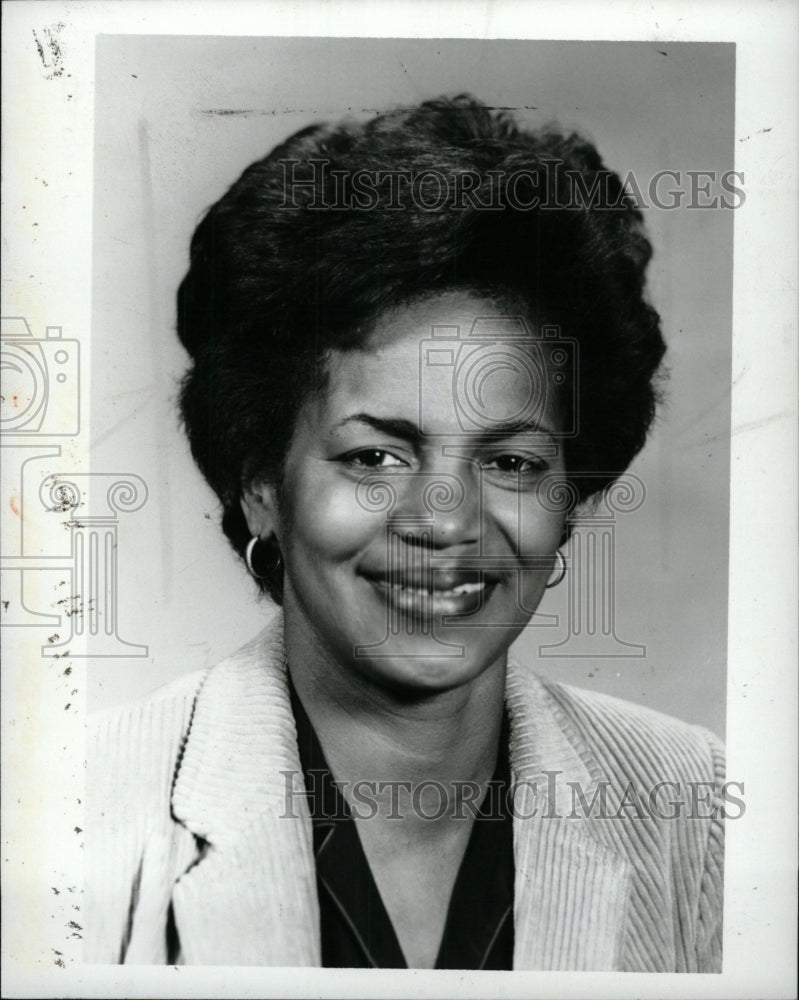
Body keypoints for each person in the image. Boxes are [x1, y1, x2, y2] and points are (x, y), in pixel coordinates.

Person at [86, 95, 724, 970]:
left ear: (568, 499)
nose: (445, 520)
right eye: (376, 457)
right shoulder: (74, 809)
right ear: (261, 482)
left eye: (511, 463)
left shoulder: (691, 804)